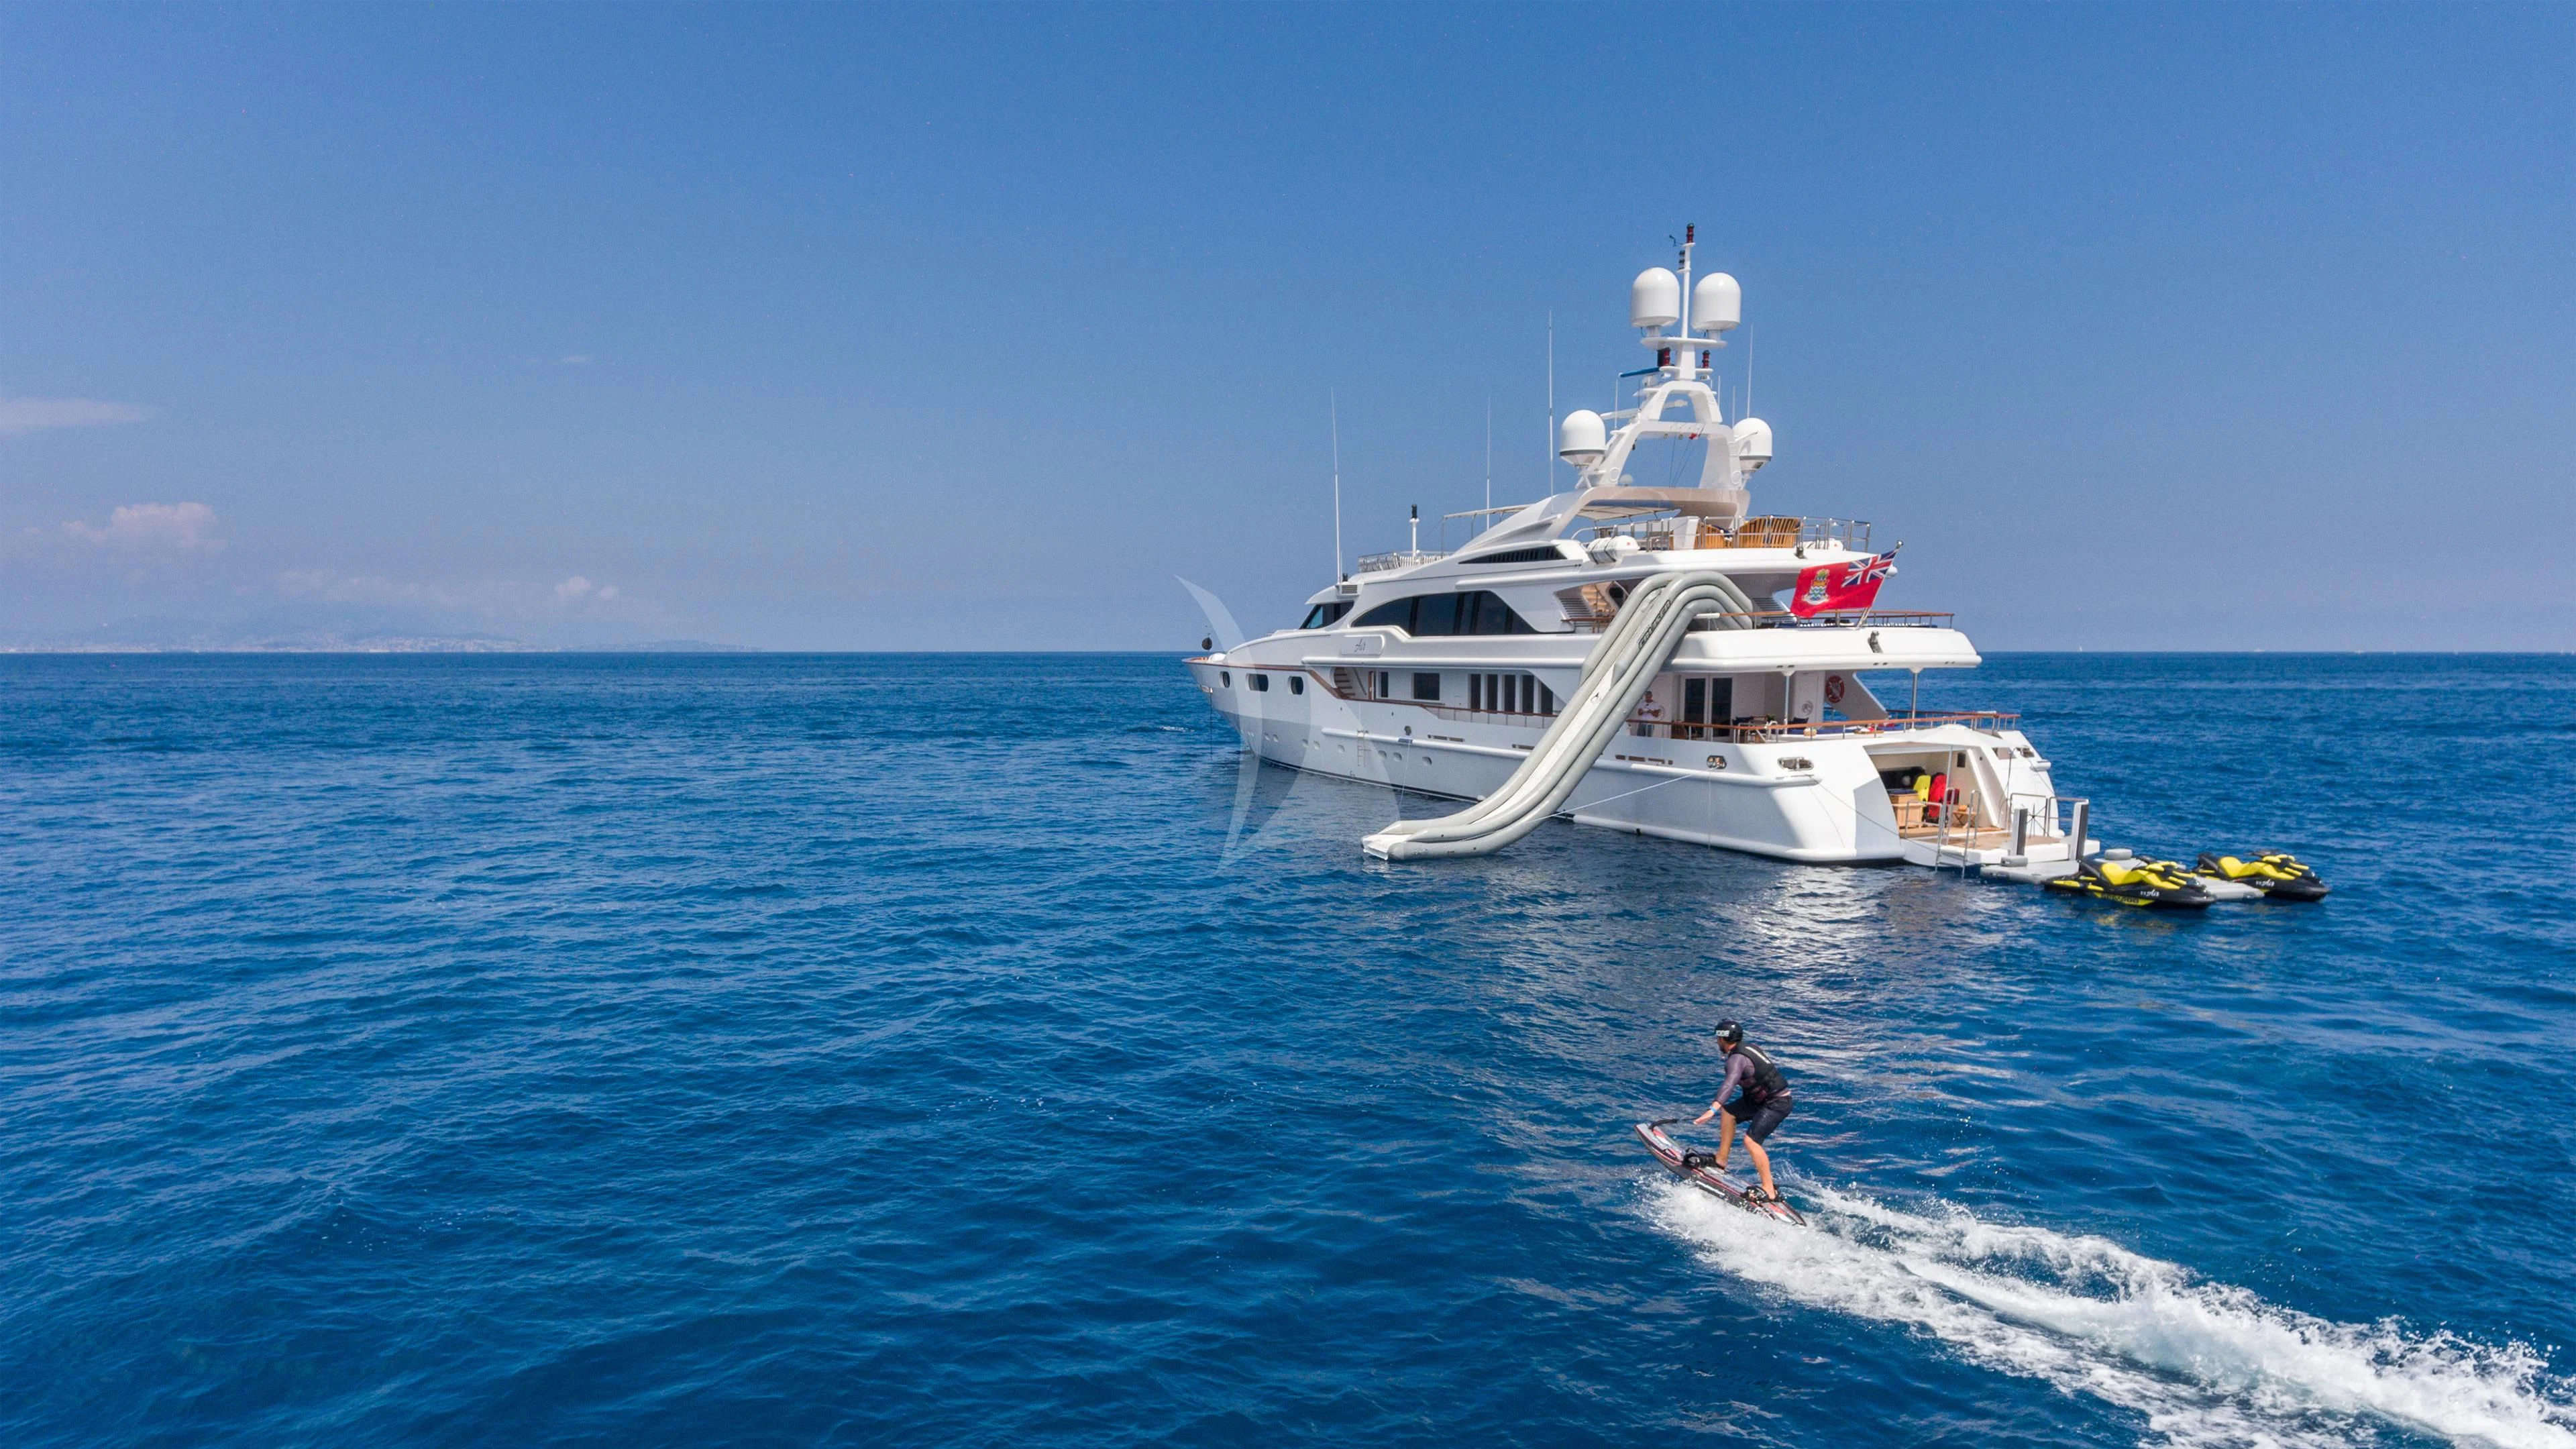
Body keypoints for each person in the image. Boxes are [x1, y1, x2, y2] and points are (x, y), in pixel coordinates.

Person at [1692, 1019, 1792, 1202]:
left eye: (1718, 1038)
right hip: (1761, 1099)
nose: (1717, 1042)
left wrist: (1712, 1109)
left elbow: (1729, 1083)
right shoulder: (1749, 1047)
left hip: (1776, 1103)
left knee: (1751, 1141)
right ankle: (1720, 1160)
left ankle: (1769, 1190)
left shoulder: (1736, 1060)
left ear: (1723, 1039)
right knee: (1729, 1113)